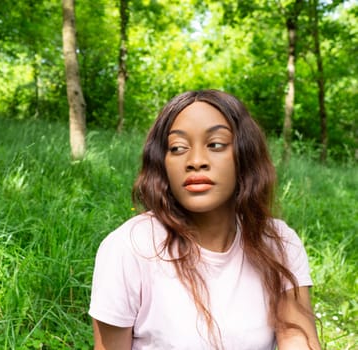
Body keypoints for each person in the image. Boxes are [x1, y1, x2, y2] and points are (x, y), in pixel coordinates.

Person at [89, 89, 321, 350]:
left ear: (244, 155)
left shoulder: (279, 243)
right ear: (162, 163)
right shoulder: (129, 247)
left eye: (216, 145)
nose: (196, 161)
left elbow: (296, 337)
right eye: (177, 148)